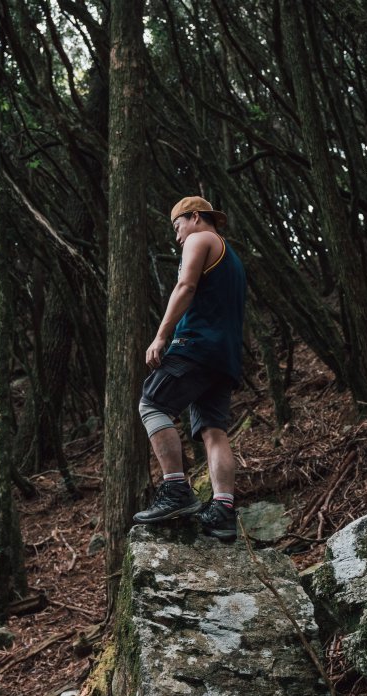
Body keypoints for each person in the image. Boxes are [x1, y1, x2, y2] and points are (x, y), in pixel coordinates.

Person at [133, 196, 246, 541]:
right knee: (213, 430)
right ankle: (223, 509)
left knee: (152, 404)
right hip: (224, 356)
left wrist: (160, 336)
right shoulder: (232, 258)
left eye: (177, 226)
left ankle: (175, 489)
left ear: (194, 217)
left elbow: (186, 286)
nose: (178, 237)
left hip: (195, 346)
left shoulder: (200, 239)